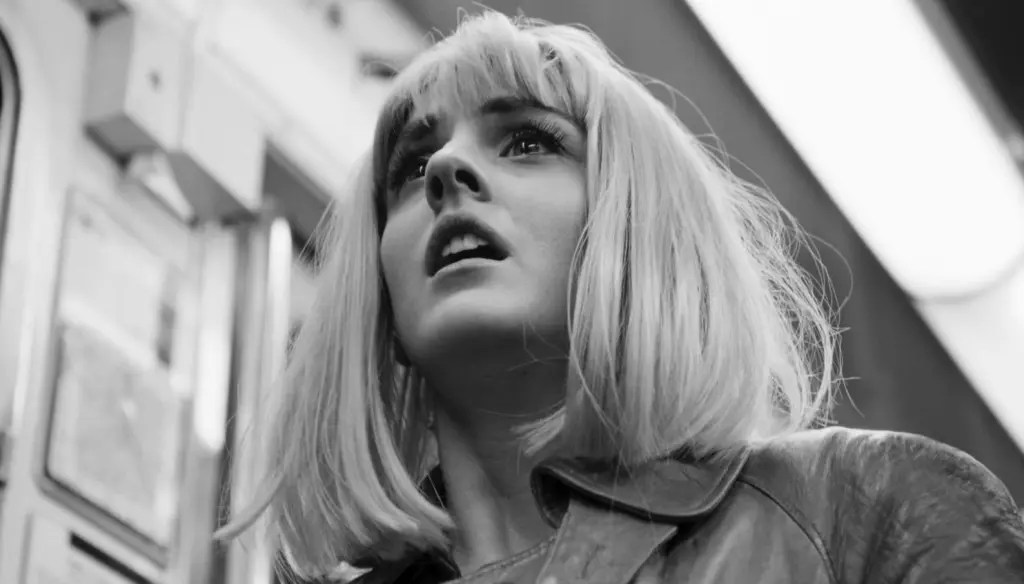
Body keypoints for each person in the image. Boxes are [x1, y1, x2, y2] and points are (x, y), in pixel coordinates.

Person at [219, 11, 1024, 583]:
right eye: (410, 165)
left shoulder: (867, 513)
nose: (445, 171)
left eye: (529, 142)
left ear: (632, 232)